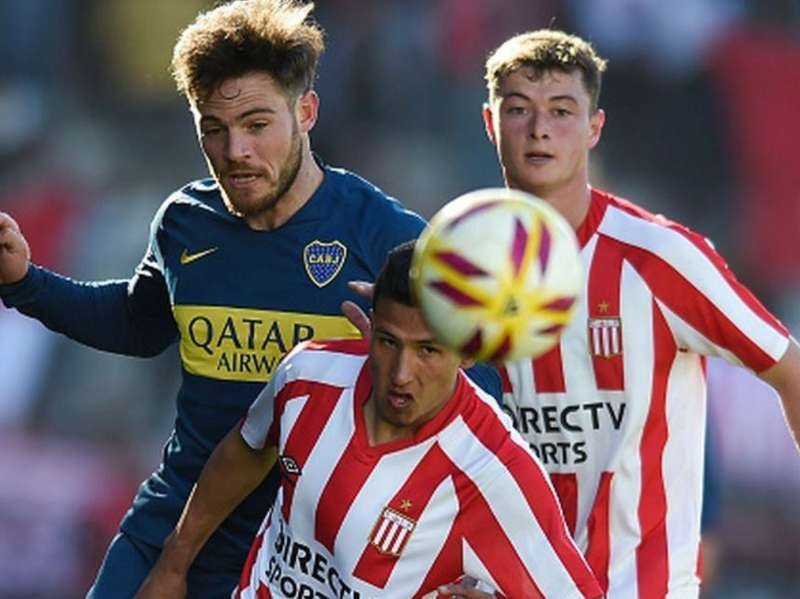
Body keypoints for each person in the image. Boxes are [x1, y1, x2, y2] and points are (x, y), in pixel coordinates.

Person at [0, 1, 470, 596]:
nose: (236, 152)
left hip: (309, 559)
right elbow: (138, 324)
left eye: (256, 124)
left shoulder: (385, 237)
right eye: (214, 130)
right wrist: (25, 282)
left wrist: (407, 358)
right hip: (173, 528)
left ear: (306, 112)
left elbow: (477, 390)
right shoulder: (185, 223)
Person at [480, 29, 800, 598]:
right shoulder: (461, 270)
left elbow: (789, 370)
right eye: (519, 109)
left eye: (562, 111)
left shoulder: (660, 257)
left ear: (594, 128)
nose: (539, 129)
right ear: (490, 122)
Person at [134, 242, 603, 599]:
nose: (401, 374)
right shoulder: (307, 374)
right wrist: (174, 561)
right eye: (388, 341)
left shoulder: (493, 470)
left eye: (428, 351)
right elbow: (248, 447)